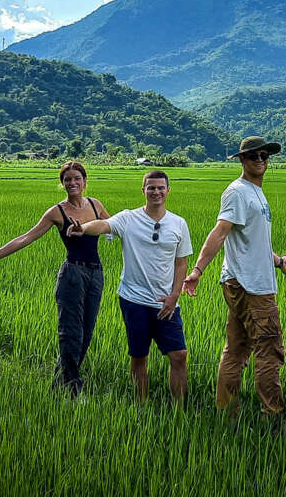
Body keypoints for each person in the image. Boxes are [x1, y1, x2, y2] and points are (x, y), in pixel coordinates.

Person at [0, 161, 109, 397]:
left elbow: (114, 226)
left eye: (77, 178)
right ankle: (74, 389)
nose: (72, 183)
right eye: (67, 179)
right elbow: (25, 238)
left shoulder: (95, 205)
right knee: (70, 332)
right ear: (62, 183)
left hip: (96, 274)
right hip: (72, 274)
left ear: (85, 181)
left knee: (87, 331)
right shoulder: (57, 212)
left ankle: (59, 385)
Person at [182, 136, 286, 418]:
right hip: (250, 285)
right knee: (270, 349)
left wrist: (278, 261)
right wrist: (197, 270)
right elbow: (220, 231)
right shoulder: (237, 191)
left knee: (236, 349)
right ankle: (272, 414)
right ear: (242, 160)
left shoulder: (255, 192)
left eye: (264, 156)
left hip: (247, 280)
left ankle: (226, 411)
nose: (260, 160)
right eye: (254, 156)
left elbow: (251, 240)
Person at [67, 170, 192, 404]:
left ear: (168, 191)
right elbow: (103, 225)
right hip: (133, 300)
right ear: (143, 190)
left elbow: (181, 263)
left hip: (165, 302)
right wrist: (83, 228)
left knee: (179, 355)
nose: (156, 191)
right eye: (151, 187)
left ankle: (179, 410)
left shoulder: (178, 223)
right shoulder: (128, 218)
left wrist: (174, 295)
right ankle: (141, 406)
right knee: (138, 356)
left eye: (160, 188)